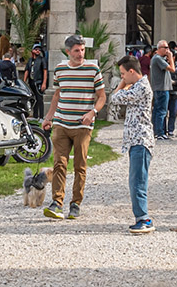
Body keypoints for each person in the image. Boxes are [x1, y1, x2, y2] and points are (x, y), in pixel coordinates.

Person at [41, 35, 106, 220]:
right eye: (77, 50)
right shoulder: (60, 69)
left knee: (80, 165)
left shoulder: (93, 69)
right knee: (59, 164)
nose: (80, 54)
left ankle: (76, 203)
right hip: (61, 123)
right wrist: (49, 117)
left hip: (82, 126)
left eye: (82, 50)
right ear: (68, 51)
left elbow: (102, 96)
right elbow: (57, 95)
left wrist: (93, 112)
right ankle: (57, 203)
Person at [111, 54, 156, 234]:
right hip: (135, 140)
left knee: (138, 181)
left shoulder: (141, 87)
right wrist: (125, 82)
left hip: (141, 140)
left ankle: (143, 218)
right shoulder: (138, 86)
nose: (122, 78)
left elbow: (115, 98)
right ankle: (141, 217)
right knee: (135, 180)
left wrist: (122, 84)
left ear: (131, 71)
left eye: (123, 74)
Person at [149, 40, 175, 140]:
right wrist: (171, 58)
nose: (168, 50)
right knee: (161, 111)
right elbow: (172, 69)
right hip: (162, 88)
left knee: (157, 110)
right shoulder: (158, 59)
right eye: (166, 48)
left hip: (159, 88)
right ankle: (159, 132)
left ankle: (156, 131)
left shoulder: (157, 59)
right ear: (159, 48)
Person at [24, 43, 48, 118]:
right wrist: (24, 81)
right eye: (36, 49)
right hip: (31, 82)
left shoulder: (42, 59)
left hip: (39, 82)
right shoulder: (30, 60)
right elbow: (27, 70)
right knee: (34, 99)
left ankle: (41, 116)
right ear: (32, 50)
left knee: (40, 99)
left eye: (39, 49)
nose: (38, 51)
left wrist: (44, 83)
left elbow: (45, 71)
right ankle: (35, 116)